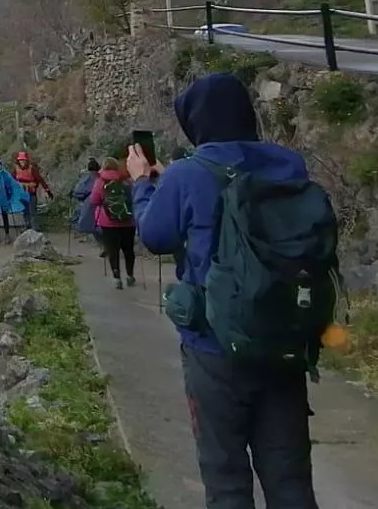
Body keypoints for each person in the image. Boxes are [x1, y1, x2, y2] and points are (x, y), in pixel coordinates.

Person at [129, 72, 328, 509]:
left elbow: (155, 235)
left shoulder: (186, 174)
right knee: (290, 477)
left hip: (215, 346)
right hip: (284, 337)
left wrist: (144, 184)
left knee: (227, 478)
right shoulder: (287, 164)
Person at [88, 157, 137, 288]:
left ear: (104, 166)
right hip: (128, 221)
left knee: (113, 250)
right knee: (128, 250)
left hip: (108, 222)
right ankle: (130, 275)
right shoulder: (126, 180)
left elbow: (94, 201)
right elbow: (134, 198)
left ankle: (117, 278)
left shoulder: (100, 181)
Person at [71, 158, 105, 252]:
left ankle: (103, 246)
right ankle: (108, 246)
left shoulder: (86, 179)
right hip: (103, 205)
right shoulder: (102, 177)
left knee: (94, 227)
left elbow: (79, 192)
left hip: (89, 206)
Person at [11, 152, 53, 224]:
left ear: (26, 160)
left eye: (23, 160)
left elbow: (40, 180)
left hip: (31, 192)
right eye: (20, 160)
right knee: (24, 211)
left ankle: (35, 229)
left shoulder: (32, 169)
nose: (22, 162)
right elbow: (11, 180)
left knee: (32, 211)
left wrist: (47, 190)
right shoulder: (16, 169)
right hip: (21, 193)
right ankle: (27, 227)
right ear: (18, 161)